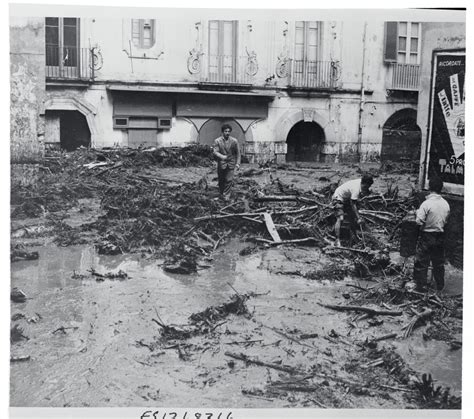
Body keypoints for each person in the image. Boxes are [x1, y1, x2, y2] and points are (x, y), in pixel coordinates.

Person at [413, 177, 450, 292]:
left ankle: (421, 287)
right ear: (441, 188)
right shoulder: (446, 204)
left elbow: (419, 221)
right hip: (440, 235)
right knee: (438, 262)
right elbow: (446, 221)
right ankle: (440, 285)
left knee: (422, 262)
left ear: (429, 188)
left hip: (427, 235)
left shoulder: (426, 203)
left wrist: (417, 213)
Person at [332, 174, 374, 247]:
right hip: (338, 198)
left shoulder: (361, 183)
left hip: (346, 198)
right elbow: (353, 204)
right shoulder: (356, 189)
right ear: (364, 184)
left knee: (352, 217)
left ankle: (354, 236)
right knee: (340, 218)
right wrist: (358, 218)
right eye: (367, 186)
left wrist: (356, 217)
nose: (367, 188)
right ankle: (337, 240)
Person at [213, 124, 241, 201]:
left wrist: (238, 164)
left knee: (229, 180)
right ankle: (221, 194)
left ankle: (226, 196)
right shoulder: (217, 141)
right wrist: (223, 157)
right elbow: (215, 152)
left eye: (229, 131)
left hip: (231, 163)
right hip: (221, 163)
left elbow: (238, 153)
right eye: (226, 131)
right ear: (222, 132)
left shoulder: (234, 141)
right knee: (221, 180)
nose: (227, 133)